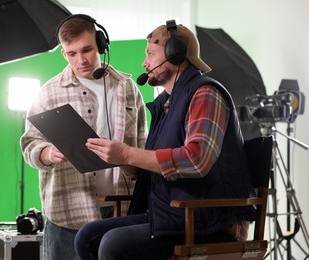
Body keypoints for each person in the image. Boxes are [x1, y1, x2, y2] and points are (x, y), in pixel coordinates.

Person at [74, 20, 256, 260]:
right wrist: (119, 159)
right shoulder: (165, 105)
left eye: (150, 54)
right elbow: (157, 169)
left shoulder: (205, 94)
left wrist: (128, 153)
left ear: (175, 54)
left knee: (112, 244)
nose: (144, 62)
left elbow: (196, 160)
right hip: (170, 214)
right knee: (87, 237)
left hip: (206, 221)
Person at [20, 14, 147, 260]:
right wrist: (47, 154)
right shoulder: (47, 93)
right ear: (64, 54)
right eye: (72, 53)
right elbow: (29, 145)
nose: (81, 60)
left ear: (100, 44)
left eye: (87, 50)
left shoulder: (127, 88)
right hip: (67, 214)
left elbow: (142, 144)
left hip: (123, 211)